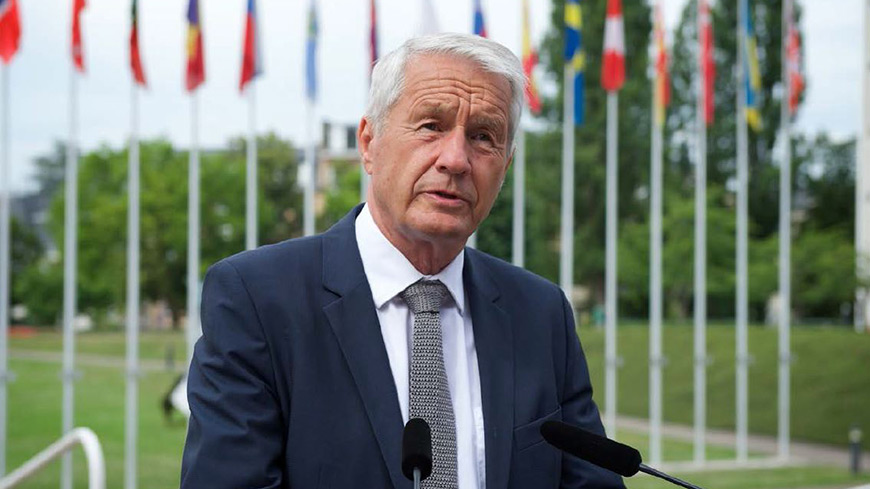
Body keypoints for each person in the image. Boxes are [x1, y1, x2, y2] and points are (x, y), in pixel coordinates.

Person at [180, 33, 624, 489]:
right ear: (369, 143)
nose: (456, 160)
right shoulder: (258, 300)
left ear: (505, 167)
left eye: (483, 137)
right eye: (431, 125)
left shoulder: (540, 311)